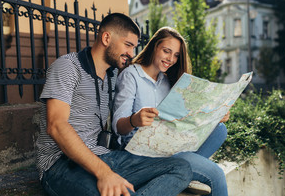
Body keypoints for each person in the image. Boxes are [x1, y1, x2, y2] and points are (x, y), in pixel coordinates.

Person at [36, 13, 193, 196]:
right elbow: (56, 126)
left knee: (181, 168)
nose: (131, 54)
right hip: (60, 165)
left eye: (134, 47)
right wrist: (104, 174)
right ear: (106, 37)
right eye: (128, 45)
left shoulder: (112, 76)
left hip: (103, 155)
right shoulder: (68, 67)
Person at [112, 26, 229, 196]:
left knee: (219, 130)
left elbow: (181, 120)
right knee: (216, 174)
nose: (171, 59)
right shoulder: (131, 75)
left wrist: (213, 115)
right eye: (167, 51)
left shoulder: (166, 81)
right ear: (154, 47)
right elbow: (118, 127)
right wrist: (134, 120)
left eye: (176, 55)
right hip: (140, 153)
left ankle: (182, 174)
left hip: (169, 147)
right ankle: (181, 173)